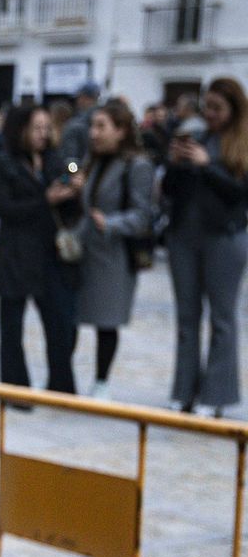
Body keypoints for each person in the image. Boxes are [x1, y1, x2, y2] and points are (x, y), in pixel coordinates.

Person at [164, 77, 248, 416]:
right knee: (187, 317)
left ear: (233, 110)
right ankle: (183, 391)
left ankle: (215, 396)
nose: (210, 114)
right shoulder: (197, 138)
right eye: (207, 106)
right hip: (184, 234)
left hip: (225, 236)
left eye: (217, 108)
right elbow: (171, 191)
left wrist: (207, 166)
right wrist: (175, 164)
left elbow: (238, 193)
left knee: (222, 317)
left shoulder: (240, 144)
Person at [0, 103, 80, 394]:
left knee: (62, 323)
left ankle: (61, 385)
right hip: (16, 253)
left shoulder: (54, 159)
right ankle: (15, 389)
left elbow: (73, 180)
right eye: (36, 128)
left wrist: (75, 184)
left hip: (50, 253)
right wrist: (46, 200)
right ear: (21, 130)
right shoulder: (3, 161)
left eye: (46, 128)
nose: (43, 134)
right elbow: (5, 208)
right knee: (12, 328)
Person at [76, 101, 155, 399]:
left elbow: (143, 215)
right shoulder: (92, 161)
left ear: (121, 131)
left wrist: (110, 222)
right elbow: (80, 187)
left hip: (115, 256)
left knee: (106, 321)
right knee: (73, 315)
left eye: (101, 127)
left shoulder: (137, 164)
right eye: (92, 126)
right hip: (87, 249)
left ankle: (101, 381)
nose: (93, 134)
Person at [57, 81, 100, 166]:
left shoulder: (74, 125)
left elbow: (69, 159)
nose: (77, 101)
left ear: (84, 98)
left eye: (79, 97)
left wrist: (74, 172)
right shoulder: (106, 122)